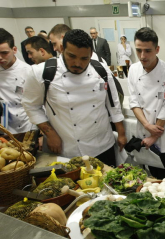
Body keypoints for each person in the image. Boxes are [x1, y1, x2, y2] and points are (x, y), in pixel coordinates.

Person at [22, 29, 126, 166]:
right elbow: (31, 106)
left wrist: (121, 133)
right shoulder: (41, 73)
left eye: (84, 58)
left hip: (103, 145)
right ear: (61, 48)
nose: (78, 63)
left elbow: (113, 103)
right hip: (67, 148)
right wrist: (50, 134)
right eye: (72, 56)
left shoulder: (101, 70)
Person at [128, 27, 165, 179]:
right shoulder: (133, 69)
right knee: (146, 178)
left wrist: (154, 136)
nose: (142, 56)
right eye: (138, 50)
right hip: (143, 133)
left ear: (157, 49)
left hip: (162, 136)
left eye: (148, 51)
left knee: (164, 180)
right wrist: (147, 126)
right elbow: (134, 102)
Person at [0, 28, 33, 135]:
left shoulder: (28, 71)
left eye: (4, 53)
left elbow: (39, 105)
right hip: (4, 128)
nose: (0, 57)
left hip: (27, 125)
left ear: (14, 50)